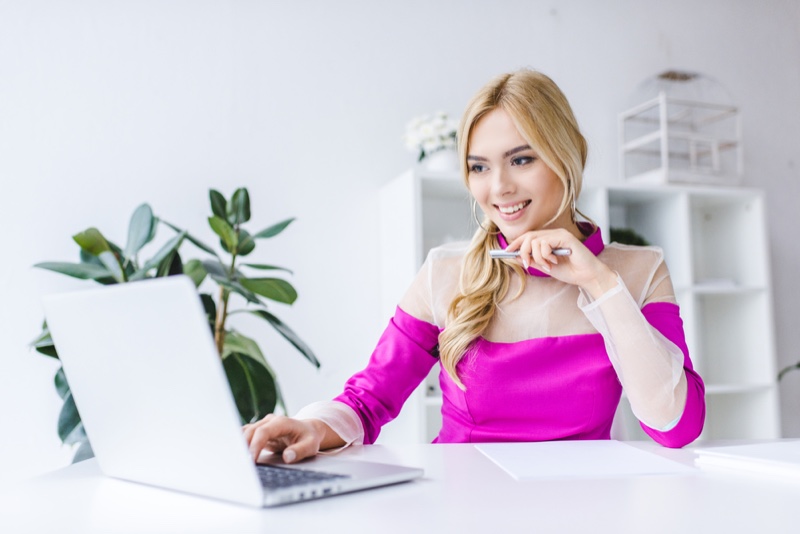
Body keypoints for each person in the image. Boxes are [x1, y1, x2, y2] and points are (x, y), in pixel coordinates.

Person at [243, 69, 706, 464]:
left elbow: (675, 428)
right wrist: (309, 425)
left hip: (581, 510)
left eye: (521, 159)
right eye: (479, 167)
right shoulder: (445, 272)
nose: (499, 187)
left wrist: (601, 285)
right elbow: (369, 400)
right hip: (460, 510)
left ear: (568, 156)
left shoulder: (638, 270)